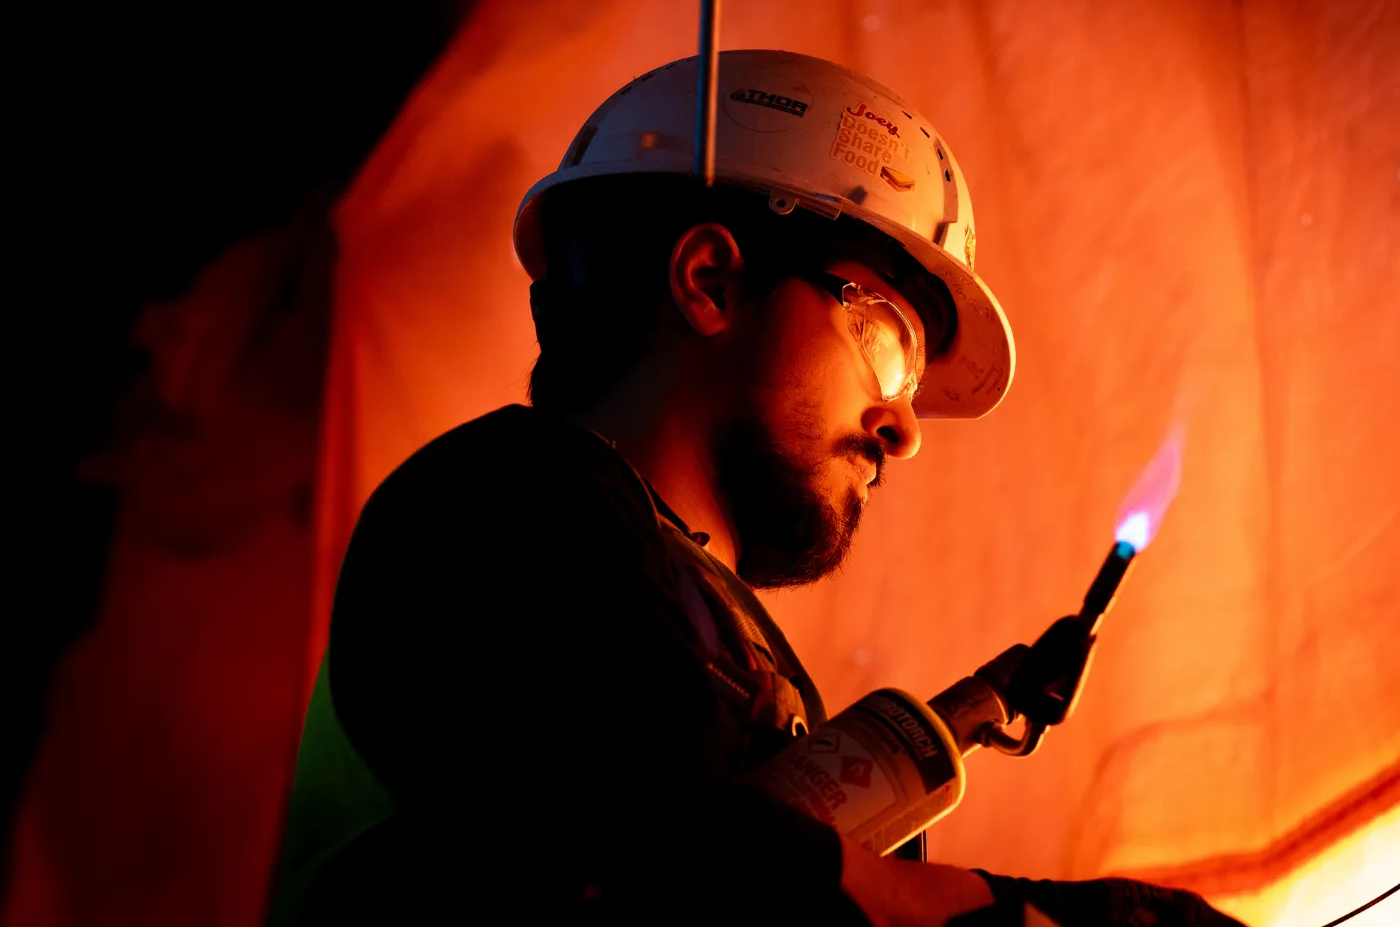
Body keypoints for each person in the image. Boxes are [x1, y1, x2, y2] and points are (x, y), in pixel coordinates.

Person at [269, 50, 1245, 927]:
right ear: (709, 280)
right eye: (884, 341)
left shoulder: (727, 650)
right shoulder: (500, 505)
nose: (902, 429)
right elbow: (666, 858)